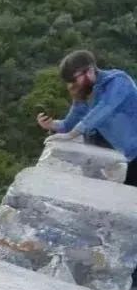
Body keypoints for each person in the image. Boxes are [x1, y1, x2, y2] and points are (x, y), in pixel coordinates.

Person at [35, 50, 137, 187]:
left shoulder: (118, 81)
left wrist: (71, 135)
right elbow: (69, 123)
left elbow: (102, 110)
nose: (72, 85)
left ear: (89, 71)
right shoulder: (86, 92)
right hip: (129, 154)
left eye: (74, 79)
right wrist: (51, 125)